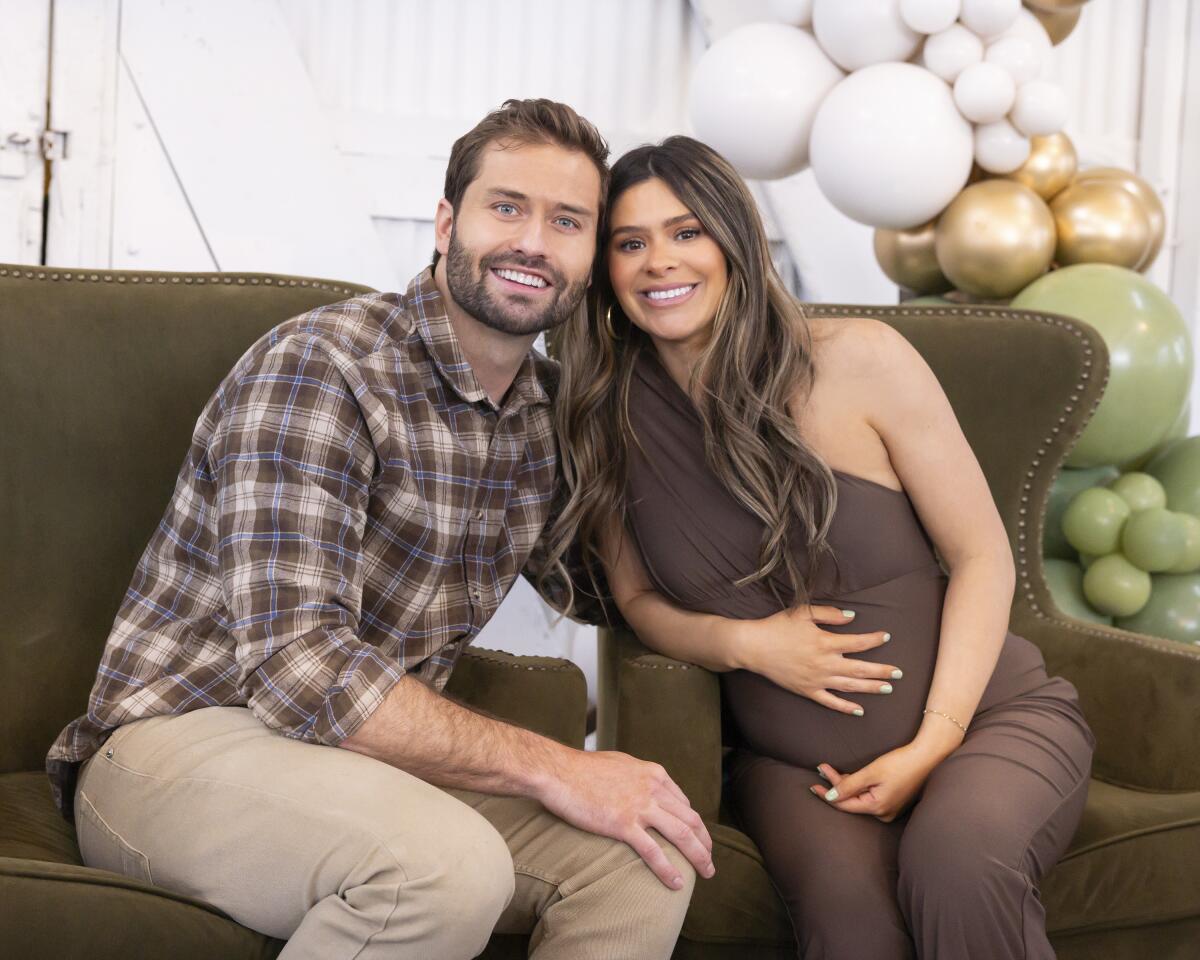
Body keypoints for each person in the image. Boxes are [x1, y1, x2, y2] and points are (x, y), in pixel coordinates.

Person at [45, 101, 713, 960]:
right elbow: (301, 671)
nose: (533, 243)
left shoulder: (545, 414)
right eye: (507, 207)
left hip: (362, 765)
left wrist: (687, 392)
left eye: (567, 222)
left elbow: (612, 590)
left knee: (644, 861)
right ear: (447, 223)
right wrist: (558, 766)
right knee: (443, 869)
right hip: (181, 744)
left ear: (590, 261)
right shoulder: (326, 367)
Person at [545, 135, 1094, 959]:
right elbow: (637, 602)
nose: (660, 261)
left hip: (984, 721)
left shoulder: (860, 360)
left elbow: (984, 557)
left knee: (956, 863)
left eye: (687, 232)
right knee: (851, 928)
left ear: (735, 241)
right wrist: (750, 645)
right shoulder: (606, 416)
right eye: (630, 243)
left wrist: (933, 742)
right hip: (795, 768)